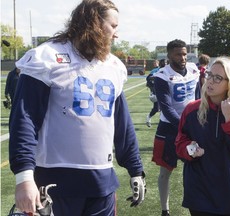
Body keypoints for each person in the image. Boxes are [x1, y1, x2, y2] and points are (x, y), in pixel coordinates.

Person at [9, 0, 146, 215]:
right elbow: (25, 119)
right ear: (94, 24)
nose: (116, 34)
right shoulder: (47, 57)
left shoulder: (113, 66)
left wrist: (135, 169)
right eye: (113, 26)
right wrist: (24, 176)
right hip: (55, 180)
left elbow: (121, 123)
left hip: (102, 181)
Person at [176, 57, 230, 216]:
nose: (210, 81)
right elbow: (179, 143)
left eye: (218, 78)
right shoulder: (192, 110)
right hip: (200, 195)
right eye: (210, 75)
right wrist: (190, 150)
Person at [152, 39, 199, 216]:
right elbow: (166, 107)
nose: (183, 57)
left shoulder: (194, 70)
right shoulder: (162, 76)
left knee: (196, 167)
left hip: (191, 127)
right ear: (169, 55)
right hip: (170, 129)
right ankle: (165, 210)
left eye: (185, 54)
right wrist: (186, 126)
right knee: (165, 171)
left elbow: (199, 96)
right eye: (179, 54)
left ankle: (199, 206)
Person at [146, 59, 166, 127]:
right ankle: (148, 117)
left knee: (166, 108)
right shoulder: (156, 71)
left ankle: (163, 122)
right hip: (158, 92)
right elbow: (149, 79)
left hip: (166, 92)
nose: (165, 64)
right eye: (164, 63)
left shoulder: (169, 70)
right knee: (156, 108)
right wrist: (153, 89)